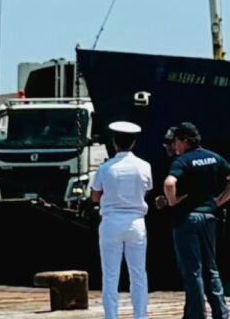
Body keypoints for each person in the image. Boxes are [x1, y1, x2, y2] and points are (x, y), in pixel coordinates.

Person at [162, 122, 230, 319]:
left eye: (175, 142)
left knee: (193, 271)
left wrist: (172, 202)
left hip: (187, 220)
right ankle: (221, 313)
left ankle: (197, 315)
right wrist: (219, 201)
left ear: (184, 141)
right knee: (211, 270)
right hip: (209, 217)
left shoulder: (183, 161)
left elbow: (169, 183)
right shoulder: (213, 157)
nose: (174, 146)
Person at [90, 121, 153, 319]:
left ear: (114, 142)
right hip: (136, 222)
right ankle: (140, 316)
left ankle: (111, 316)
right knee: (138, 274)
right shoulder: (144, 166)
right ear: (133, 142)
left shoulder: (105, 168)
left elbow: (94, 196)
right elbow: (147, 189)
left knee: (110, 275)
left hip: (110, 222)